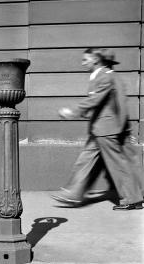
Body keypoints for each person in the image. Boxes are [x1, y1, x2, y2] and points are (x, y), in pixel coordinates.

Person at [52, 48, 144, 210]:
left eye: (86, 60)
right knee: (86, 160)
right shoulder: (110, 76)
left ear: (97, 60)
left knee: (116, 165)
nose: (83, 63)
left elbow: (95, 100)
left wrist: (73, 112)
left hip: (106, 129)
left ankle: (132, 198)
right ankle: (73, 193)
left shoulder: (104, 76)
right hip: (105, 128)